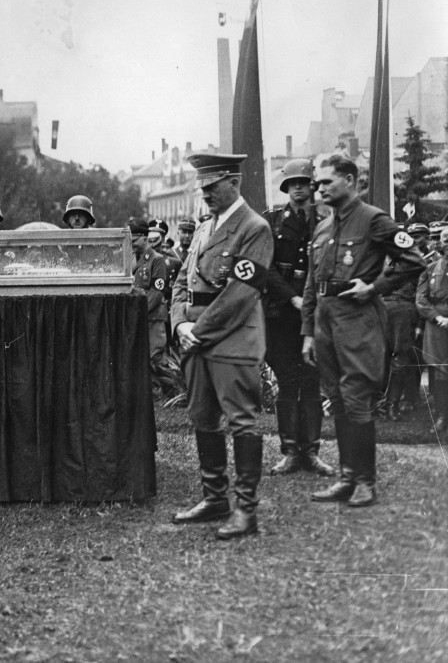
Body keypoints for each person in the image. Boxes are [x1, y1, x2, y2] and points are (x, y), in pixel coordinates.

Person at [302, 154, 426, 508]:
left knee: (356, 399)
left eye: (327, 181)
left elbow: (413, 259)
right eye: (318, 182)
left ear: (351, 181)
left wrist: (374, 288)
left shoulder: (373, 220)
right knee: (338, 400)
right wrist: (308, 332)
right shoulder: (324, 227)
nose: (319, 188)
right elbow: (314, 283)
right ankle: (346, 476)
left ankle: (365, 481)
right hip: (326, 322)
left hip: (358, 321)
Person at [170, 153, 273, 540]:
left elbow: (241, 293)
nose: (205, 195)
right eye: (202, 188)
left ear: (234, 182)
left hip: (232, 339)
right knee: (202, 417)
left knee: (242, 421)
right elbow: (183, 279)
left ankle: (246, 509)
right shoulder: (204, 227)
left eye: (212, 187)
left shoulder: (254, 227)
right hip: (195, 340)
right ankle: (215, 498)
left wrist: (197, 330)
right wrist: (179, 321)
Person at [261, 158, 335, 476]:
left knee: (313, 380)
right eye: (293, 184)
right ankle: (291, 451)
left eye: (304, 182)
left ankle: (313, 451)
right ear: (286, 188)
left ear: (313, 186)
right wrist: (291, 297)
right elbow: (265, 267)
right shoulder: (272, 221)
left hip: (316, 313)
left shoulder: (328, 220)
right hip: (281, 313)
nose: (299, 188)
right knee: (288, 382)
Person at [380, 222, 430, 420]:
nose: (415, 240)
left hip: (405, 310)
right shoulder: (401, 260)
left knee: (403, 358)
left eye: (419, 236)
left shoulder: (422, 261)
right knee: (392, 358)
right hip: (391, 309)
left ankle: (395, 403)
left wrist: (419, 323)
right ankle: (386, 403)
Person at [130, 218, 170, 389]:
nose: (131, 244)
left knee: (155, 358)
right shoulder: (131, 258)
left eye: (134, 240)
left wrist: (141, 311)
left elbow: (157, 291)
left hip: (153, 316)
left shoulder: (157, 259)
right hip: (137, 314)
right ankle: (152, 390)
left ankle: (175, 387)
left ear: (145, 238)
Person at [417, 225, 448, 434]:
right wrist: (437, 317)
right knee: (438, 369)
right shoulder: (430, 268)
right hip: (436, 323)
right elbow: (420, 298)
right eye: (445, 239)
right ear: (440, 243)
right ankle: (441, 415)